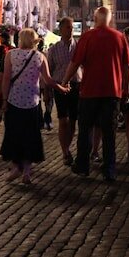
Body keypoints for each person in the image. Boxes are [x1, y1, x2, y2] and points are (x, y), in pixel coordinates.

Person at [62, 6, 129, 183]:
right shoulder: (119, 37)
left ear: (95, 18)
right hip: (112, 92)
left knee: (85, 130)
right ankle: (109, 169)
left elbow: (75, 63)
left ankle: (83, 165)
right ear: (110, 18)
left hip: (90, 92)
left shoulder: (87, 37)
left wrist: (65, 80)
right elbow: (127, 67)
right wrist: (127, 88)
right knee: (109, 132)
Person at [0, 28, 69, 183]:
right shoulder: (39, 56)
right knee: (31, 136)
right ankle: (27, 172)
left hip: (14, 101)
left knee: (15, 135)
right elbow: (48, 80)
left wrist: (4, 101)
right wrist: (62, 88)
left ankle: (16, 167)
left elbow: (6, 79)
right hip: (32, 102)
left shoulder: (11, 55)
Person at [47, 17, 81, 165]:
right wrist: (47, 90)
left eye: (72, 27)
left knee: (73, 120)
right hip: (60, 87)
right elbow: (49, 70)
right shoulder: (53, 49)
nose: (71, 30)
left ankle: (67, 147)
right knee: (63, 120)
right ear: (60, 29)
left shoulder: (79, 47)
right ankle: (65, 151)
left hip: (76, 86)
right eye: (68, 27)